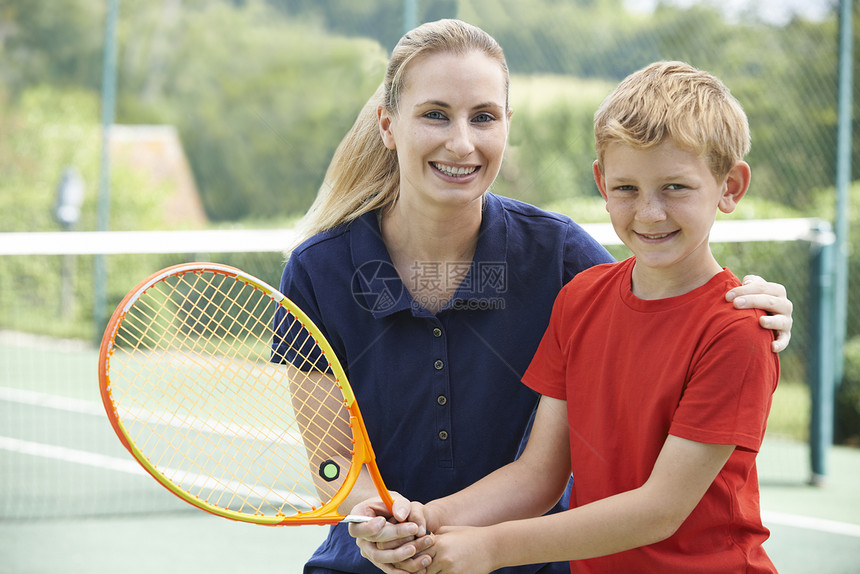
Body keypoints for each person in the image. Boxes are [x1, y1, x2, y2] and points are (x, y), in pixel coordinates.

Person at [275, 20, 792, 574]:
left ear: (506, 125)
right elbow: (334, 464)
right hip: (383, 555)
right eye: (434, 114)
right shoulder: (317, 271)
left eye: (483, 117)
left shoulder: (564, 260)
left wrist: (762, 306)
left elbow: (666, 294)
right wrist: (380, 523)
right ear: (388, 125)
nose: (461, 142)